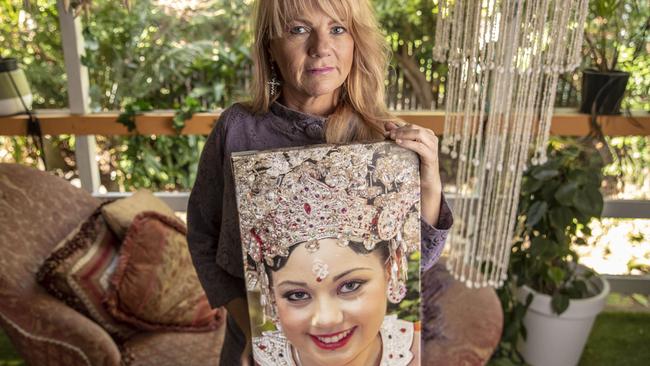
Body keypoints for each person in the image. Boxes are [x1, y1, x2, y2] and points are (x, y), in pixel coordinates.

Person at [186, 0, 453, 364]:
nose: (320, 47)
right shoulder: (237, 129)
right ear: (270, 45)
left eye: (337, 29)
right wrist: (259, 335)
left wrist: (430, 184)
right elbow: (203, 236)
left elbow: (414, 263)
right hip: (255, 348)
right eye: (298, 30)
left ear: (356, 41)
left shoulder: (384, 140)